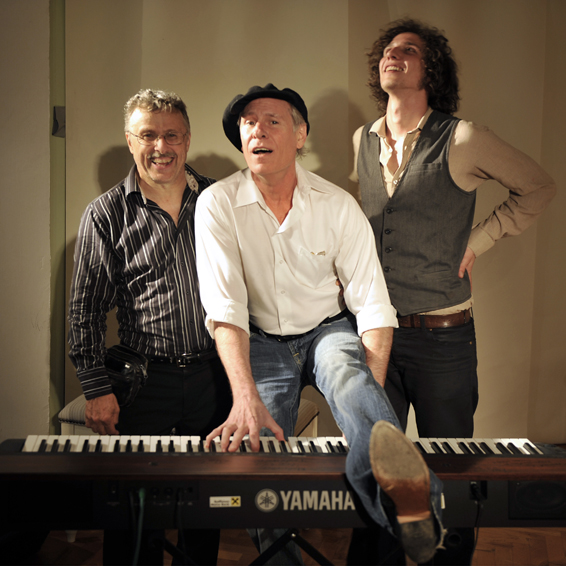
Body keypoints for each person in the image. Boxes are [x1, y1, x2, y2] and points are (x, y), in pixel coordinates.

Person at [195, 83, 446, 565]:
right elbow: (225, 307)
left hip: (327, 330)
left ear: (299, 135)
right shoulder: (217, 204)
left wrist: (365, 409)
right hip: (260, 339)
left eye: (272, 121)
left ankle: (408, 501)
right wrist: (244, 398)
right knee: (259, 450)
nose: (258, 130)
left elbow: (372, 304)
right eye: (248, 123)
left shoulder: (337, 205)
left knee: (351, 380)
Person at [351, 18, 556, 565]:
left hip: (443, 338)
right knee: (376, 467)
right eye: (387, 49)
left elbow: (538, 186)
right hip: (377, 334)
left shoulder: (462, 137)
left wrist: (479, 241)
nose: (393, 55)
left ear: (431, 69)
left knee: (451, 471)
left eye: (408, 50)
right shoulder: (362, 139)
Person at [68, 89, 232, 565]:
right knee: (135, 517)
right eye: (148, 135)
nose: (161, 146)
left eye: (172, 135)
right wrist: (96, 389)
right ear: (130, 140)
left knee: (204, 509)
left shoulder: (220, 200)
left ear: (187, 139)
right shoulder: (106, 214)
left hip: (214, 376)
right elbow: (85, 310)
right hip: (143, 383)